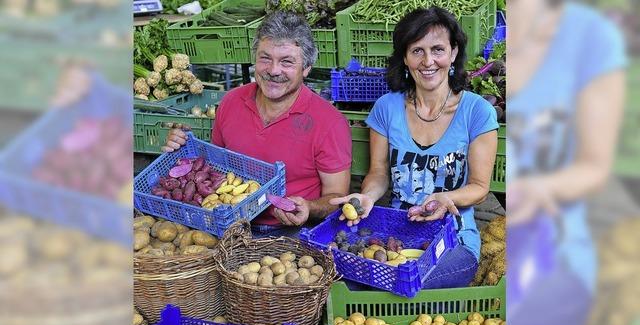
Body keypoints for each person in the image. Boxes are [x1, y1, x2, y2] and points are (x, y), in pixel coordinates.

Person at [331, 7, 498, 289]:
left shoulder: (476, 112)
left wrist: (447, 198)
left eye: (438, 49)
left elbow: (480, 188)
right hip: (398, 234)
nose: (428, 61)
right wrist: (367, 197)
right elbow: (379, 172)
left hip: (454, 239)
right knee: (349, 277)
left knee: (409, 280)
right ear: (405, 58)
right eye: (417, 51)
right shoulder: (387, 107)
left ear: (453, 53)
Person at [163, 11, 352, 238]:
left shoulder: (329, 122)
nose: (273, 70)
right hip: (230, 225)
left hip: (292, 232)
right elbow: (214, 169)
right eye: (265, 58)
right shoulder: (231, 102)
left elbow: (336, 197)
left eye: (287, 62)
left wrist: (310, 208)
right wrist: (182, 150)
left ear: (307, 67)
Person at [506, 0, 626, 325]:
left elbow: (595, 166)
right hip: (499, 241)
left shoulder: (591, 37)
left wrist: (540, 189)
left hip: (555, 250)